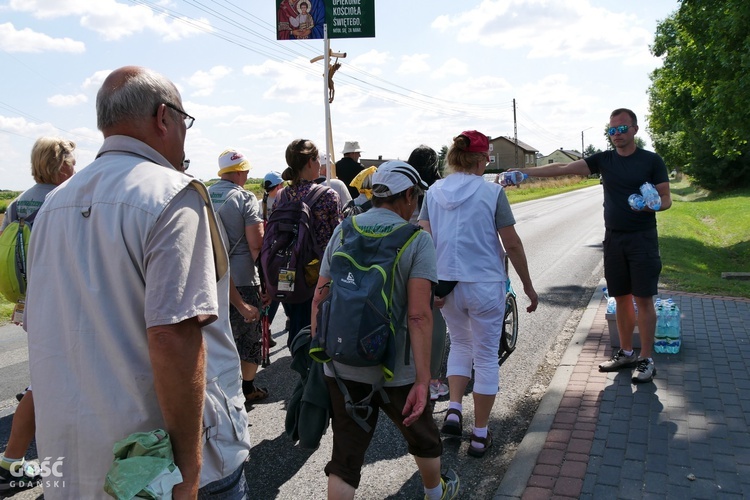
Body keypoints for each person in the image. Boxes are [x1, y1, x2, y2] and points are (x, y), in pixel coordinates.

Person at [24, 66, 252, 498]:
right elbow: (174, 336)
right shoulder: (172, 194)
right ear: (164, 117)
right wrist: (188, 473)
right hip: (155, 464)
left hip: (74, 460)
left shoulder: (53, 204)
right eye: (185, 120)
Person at [311, 160, 459, 500]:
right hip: (397, 368)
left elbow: (321, 296)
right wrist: (424, 380)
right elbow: (420, 316)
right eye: (416, 196)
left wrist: (324, 353)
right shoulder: (416, 240)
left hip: (342, 361)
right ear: (407, 195)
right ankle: (435, 493)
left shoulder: (344, 229)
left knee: (346, 456)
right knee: (423, 436)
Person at [516, 108, 672, 384]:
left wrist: (652, 205)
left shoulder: (651, 161)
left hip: (642, 239)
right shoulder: (604, 160)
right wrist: (524, 172)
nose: (617, 134)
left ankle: (646, 359)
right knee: (621, 297)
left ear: (635, 129)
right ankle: (626, 353)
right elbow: (562, 168)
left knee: (643, 299)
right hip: (613, 239)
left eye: (622, 129)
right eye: (612, 130)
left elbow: (666, 199)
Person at [419, 130, 538, 458]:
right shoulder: (492, 193)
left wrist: (430, 285)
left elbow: (425, 242)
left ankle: (454, 410)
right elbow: (511, 244)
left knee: (460, 345)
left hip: (448, 287)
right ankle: (480, 434)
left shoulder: (433, 191)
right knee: (485, 356)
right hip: (485, 285)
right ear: (483, 159)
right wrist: (528, 286)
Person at [0, 137, 76, 494]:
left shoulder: (16, 203)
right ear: (61, 165)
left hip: (30, 303)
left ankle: (15, 458)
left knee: (45, 378)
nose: (75, 169)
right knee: (51, 383)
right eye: (72, 162)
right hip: (64, 304)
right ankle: (22, 460)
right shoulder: (63, 199)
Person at [209, 149, 268, 403]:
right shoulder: (244, 198)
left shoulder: (205, 195)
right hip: (242, 276)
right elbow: (256, 243)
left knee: (218, 335)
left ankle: (219, 388)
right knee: (247, 336)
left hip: (210, 278)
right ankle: (248, 388)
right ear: (241, 171)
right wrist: (265, 279)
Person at [275, 139, 340, 348]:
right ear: (311, 161)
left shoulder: (281, 195)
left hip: (288, 268)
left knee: (296, 318)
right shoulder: (328, 195)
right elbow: (337, 238)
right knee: (319, 319)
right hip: (318, 270)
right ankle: (314, 368)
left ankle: (299, 362)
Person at [406, 145, 448, 401]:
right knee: (431, 320)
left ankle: (406, 373)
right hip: (431, 261)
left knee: (405, 319)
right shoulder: (438, 192)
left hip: (401, 259)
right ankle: (431, 378)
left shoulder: (405, 189)